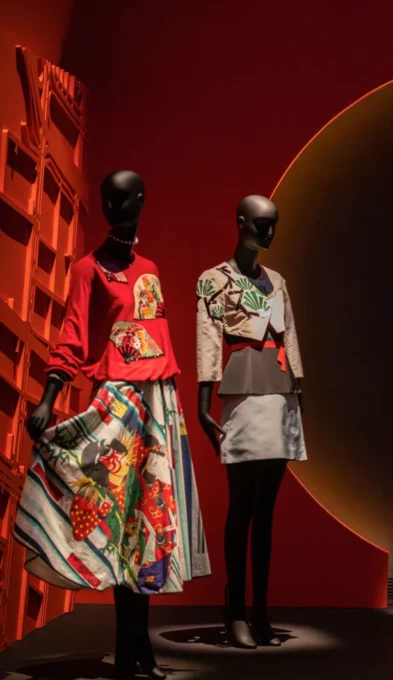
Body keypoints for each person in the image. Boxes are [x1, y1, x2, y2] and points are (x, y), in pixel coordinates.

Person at [15, 170, 209, 679]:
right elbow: (73, 334)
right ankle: (128, 651)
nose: (116, 205)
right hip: (119, 407)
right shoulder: (87, 269)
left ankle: (138, 644)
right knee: (119, 521)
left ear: (141, 202)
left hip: (159, 407)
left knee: (148, 523)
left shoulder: (150, 269)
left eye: (126, 197)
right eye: (109, 198)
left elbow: (155, 344)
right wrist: (49, 395)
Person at [196, 195, 306, 648]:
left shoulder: (277, 281)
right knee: (241, 506)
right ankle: (234, 612)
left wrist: (300, 393)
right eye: (261, 223)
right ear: (241, 221)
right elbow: (207, 337)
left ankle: (260, 610)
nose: (268, 232)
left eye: (273, 224)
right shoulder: (214, 281)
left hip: (280, 397)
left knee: (267, 513)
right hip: (241, 395)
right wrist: (203, 401)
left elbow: (291, 337)